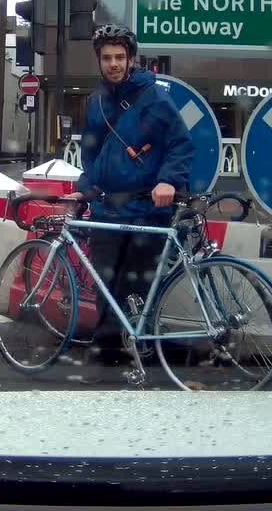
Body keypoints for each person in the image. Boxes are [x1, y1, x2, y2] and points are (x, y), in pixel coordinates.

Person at [65, 24, 193, 364]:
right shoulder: (97, 101)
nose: (113, 64)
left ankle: (140, 346)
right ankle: (108, 348)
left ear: (131, 59)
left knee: (137, 283)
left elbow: (181, 143)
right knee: (105, 280)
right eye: (107, 58)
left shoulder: (153, 97)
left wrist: (167, 180)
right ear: (99, 61)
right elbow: (92, 152)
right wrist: (85, 189)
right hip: (107, 208)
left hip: (145, 208)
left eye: (120, 57)